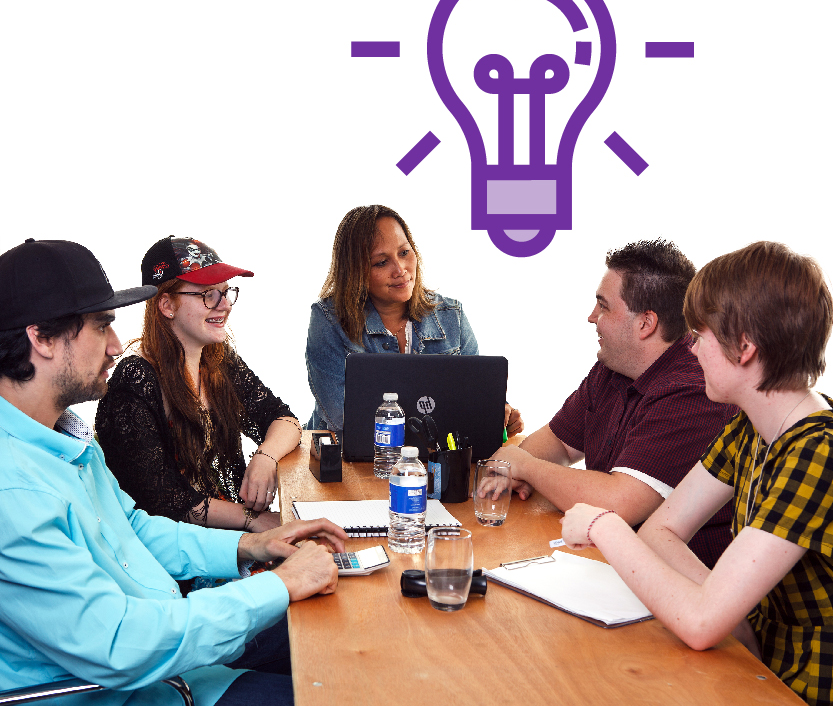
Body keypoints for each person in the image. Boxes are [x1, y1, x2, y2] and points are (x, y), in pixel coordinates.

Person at [0, 238, 347, 706]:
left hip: (177, 659)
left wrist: (250, 545)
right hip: (136, 686)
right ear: (40, 337)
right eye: (101, 327)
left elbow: (134, 528)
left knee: (351, 647)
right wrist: (279, 584)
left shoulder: (66, 442)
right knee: (341, 686)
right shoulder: (13, 491)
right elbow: (119, 645)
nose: (116, 345)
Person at [560, 241, 833, 706]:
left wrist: (602, 524)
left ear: (744, 347)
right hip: (756, 671)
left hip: (803, 690)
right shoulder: (750, 428)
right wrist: (727, 613)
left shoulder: (818, 452)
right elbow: (660, 530)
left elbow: (701, 624)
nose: (691, 347)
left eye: (700, 335)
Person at [494, 239, 736, 568]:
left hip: (677, 589)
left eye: (604, 306)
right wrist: (507, 470)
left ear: (645, 324)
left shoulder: (694, 388)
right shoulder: (615, 365)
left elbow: (619, 502)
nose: (592, 317)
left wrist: (524, 467)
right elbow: (559, 443)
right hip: (613, 566)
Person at [97, 237, 303, 563]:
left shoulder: (220, 361)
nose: (225, 304)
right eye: (209, 294)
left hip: (240, 542)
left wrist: (266, 456)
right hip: (183, 562)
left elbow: (285, 419)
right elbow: (164, 502)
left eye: (226, 291)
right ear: (167, 305)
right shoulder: (135, 381)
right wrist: (254, 520)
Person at [305, 204, 523, 436]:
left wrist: (498, 413)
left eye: (404, 252)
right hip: (348, 462)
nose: (400, 269)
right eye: (381, 262)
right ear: (355, 272)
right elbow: (346, 422)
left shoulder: (451, 314)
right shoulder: (328, 320)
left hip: (431, 462)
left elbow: (474, 399)